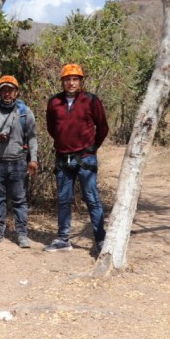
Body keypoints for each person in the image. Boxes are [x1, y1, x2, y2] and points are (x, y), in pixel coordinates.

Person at [45, 63, 109, 254]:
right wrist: (64, 143)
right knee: (63, 199)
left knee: (92, 199)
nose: (71, 83)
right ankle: (63, 239)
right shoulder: (54, 102)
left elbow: (103, 127)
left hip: (86, 158)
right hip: (63, 158)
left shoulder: (90, 100)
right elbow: (51, 128)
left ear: (81, 81)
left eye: (75, 79)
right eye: (67, 79)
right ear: (62, 81)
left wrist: (91, 148)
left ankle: (100, 240)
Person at [0, 75, 39, 248]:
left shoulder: (25, 112)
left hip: (19, 162)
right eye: (3, 90)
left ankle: (22, 234)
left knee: (20, 200)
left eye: (10, 90)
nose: (7, 93)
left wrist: (33, 159)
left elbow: (33, 137)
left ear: (16, 92)